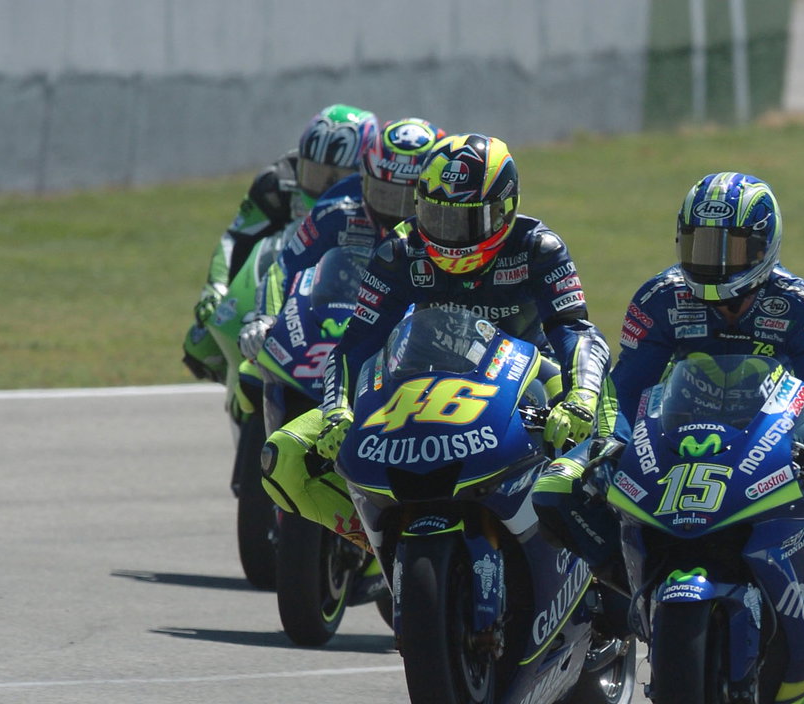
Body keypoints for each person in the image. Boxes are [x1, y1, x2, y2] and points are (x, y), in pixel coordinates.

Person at [532, 171, 804, 678]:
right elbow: (624, 385)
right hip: (679, 429)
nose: (713, 261)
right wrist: (609, 443)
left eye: (729, 247)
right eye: (700, 243)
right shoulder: (660, 298)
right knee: (556, 487)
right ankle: (630, 592)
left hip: (780, 428)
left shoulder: (803, 304)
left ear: (763, 246)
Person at [259, 133, 612, 550]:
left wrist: (580, 399)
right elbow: (356, 343)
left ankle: (602, 567)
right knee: (282, 457)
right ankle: (379, 538)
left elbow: (576, 330)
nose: (447, 234)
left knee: (607, 453)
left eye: (462, 220)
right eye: (434, 215)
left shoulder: (539, 248)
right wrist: (337, 409)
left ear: (504, 210)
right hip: (426, 379)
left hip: (536, 374)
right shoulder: (400, 253)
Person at [181, 104, 379, 385]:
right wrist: (216, 289)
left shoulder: (376, 198)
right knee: (200, 343)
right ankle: (242, 394)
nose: (324, 188)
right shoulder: (276, 183)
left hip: (341, 280)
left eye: (338, 178)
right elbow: (236, 237)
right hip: (277, 268)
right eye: (315, 173)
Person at [235, 117, 447, 365]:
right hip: (340, 330)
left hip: (416, 341)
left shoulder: (450, 226)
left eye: (408, 198)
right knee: (250, 376)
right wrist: (265, 318)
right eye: (384, 195)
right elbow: (284, 268)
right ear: (364, 180)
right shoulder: (337, 208)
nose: (395, 212)